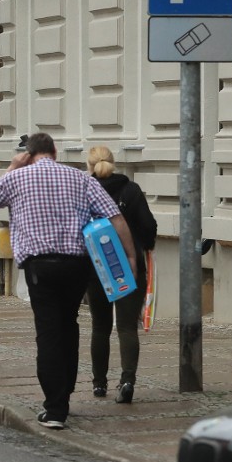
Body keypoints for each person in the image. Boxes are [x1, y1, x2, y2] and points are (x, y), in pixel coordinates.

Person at [0, 132, 136, 430]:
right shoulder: (81, 179)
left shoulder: (18, 178)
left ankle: (55, 409)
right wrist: (130, 259)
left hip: (40, 267)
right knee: (69, 326)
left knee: (48, 332)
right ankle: (64, 393)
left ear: (28, 154)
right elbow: (115, 217)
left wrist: (13, 166)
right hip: (76, 265)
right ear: (54, 151)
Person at [86, 146, 157, 404]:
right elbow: (148, 226)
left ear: (89, 165)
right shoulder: (131, 190)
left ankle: (98, 383)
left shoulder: (86, 190)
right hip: (130, 265)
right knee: (127, 327)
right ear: (113, 164)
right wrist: (144, 245)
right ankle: (127, 381)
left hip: (96, 267)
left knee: (100, 326)